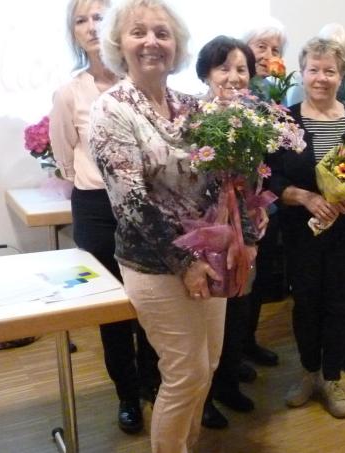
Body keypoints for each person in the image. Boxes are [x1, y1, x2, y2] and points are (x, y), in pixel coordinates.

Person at [91, 1, 256, 451]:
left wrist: (246, 234)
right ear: (118, 44)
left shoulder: (190, 106)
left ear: (177, 45)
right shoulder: (111, 110)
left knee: (211, 362)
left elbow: (224, 178)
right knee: (186, 373)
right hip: (155, 265)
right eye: (138, 32)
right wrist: (185, 262)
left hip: (210, 256)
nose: (151, 42)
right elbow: (131, 204)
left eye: (162, 33)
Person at [49, 0, 159, 435]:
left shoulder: (142, 81)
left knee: (151, 299)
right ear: (73, 33)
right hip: (96, 208)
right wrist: (97, 183)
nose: (92, 26)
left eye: (99, 17)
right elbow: (64, 156)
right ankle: (127, 395)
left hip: (146, 204)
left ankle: (153, 381)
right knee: (113, 309)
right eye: (81, 20)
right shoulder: (69, 92)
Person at [268, 37, 345, 418]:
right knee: (306, 304)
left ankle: (331, 377)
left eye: (329, 70)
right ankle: (308, 372)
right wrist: (304, 196)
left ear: (342, 75)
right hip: (302, 233)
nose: (321, 78)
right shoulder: (285, 120)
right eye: (314, 69)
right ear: (302, 73)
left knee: (339, 304)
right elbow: (271, 179)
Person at [193, 35, 261, 430]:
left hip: (245, 229)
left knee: (239, 309)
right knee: (207, 318)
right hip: (204, 232)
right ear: (205, 73)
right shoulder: (192, 116)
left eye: (242, 70)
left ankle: (228, 384)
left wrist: (254, 217)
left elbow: (254, 178)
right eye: (224, 68)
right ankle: (201, 398)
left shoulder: (253, 117)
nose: (234, 77)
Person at [241, 20, 290, 368]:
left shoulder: (274, 94)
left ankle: (248, 342)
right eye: (261, 46)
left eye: (275, 50)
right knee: (239, 283)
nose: (268, 55)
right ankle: (232, 355)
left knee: (261, 280)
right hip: (236, 204)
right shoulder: (234, 91)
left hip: (267, 204)